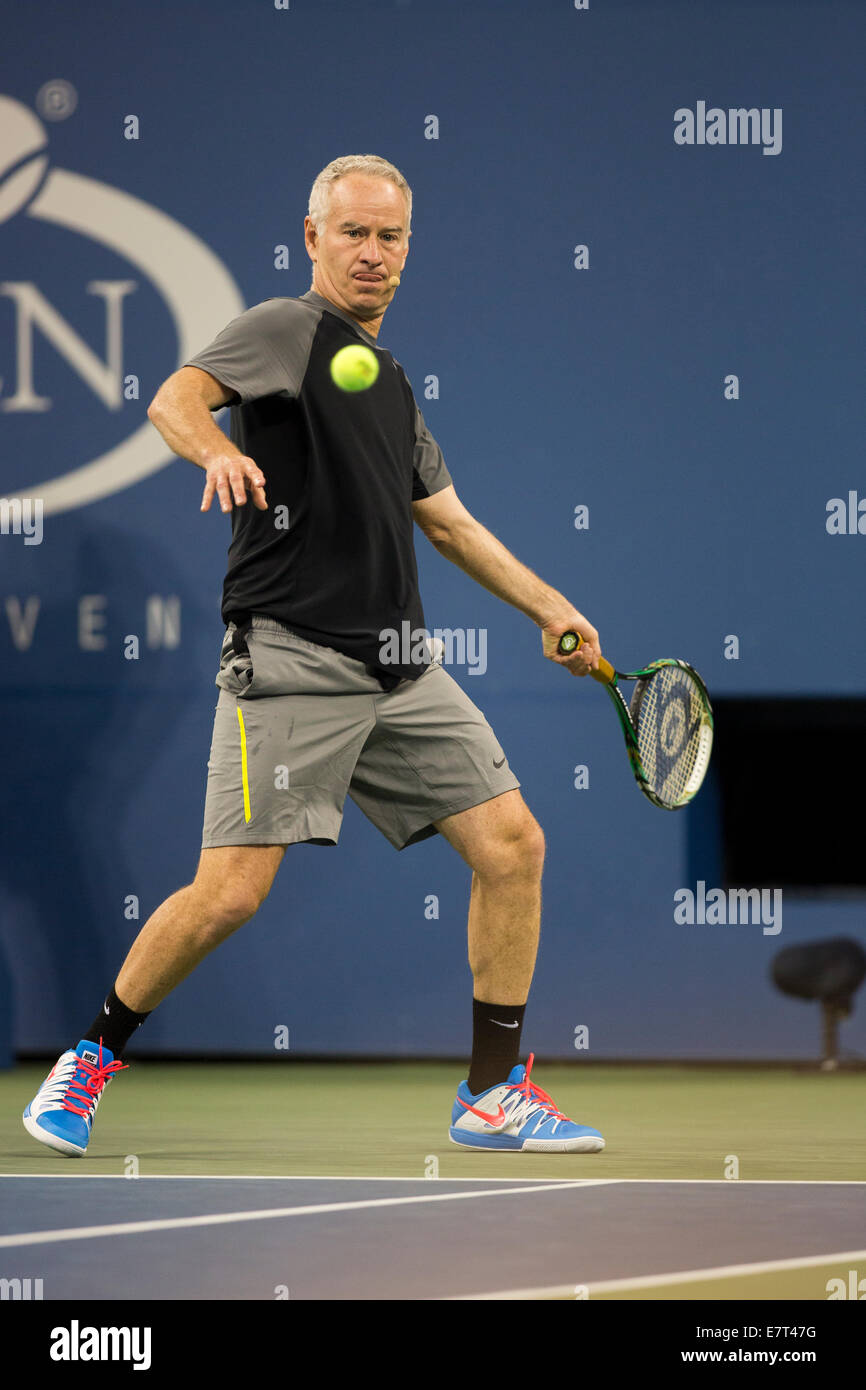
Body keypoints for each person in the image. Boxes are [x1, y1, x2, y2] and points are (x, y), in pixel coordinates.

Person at [24, 155, 605, 1157]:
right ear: (312, 238)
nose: (372, 253)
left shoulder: (388, 381)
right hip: (289, 660)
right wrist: (217, 451)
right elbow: (172, 398)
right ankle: (87, 1060)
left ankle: (490, 1093)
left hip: (399, 667)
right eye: (354, 234)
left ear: (407, 249)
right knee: (230, 895)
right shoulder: (282, 328)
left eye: (390, 237)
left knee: (513, 845)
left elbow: (452, 526)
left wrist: (549, 605)